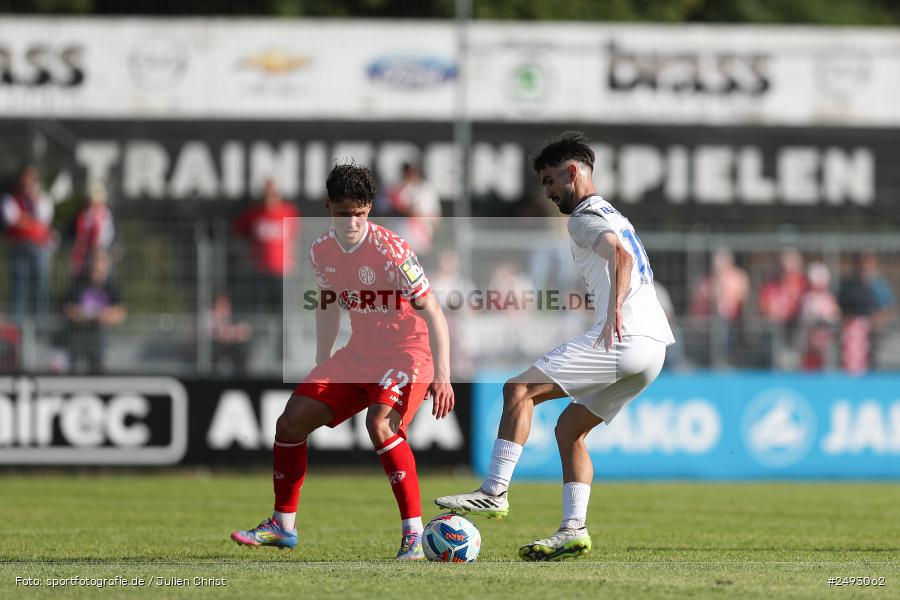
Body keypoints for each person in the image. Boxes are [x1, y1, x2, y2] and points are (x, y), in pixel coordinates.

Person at [435, 132, 674, 561]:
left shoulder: (583, 217)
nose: (547, 193)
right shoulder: (614, 213)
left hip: (624, 337)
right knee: (569, 430)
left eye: (550, 181)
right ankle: (573, 529)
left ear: (572, 173)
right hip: (654, 349)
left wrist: (614, 309)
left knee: (517, 390)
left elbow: (621, 256)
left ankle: (494, 491)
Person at [231, 162, 455, 560]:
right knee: (290, 421)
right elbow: (328, 306)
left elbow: (434, 312)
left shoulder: (393, 249)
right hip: (360, 352)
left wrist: (443, 374)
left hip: (408, 350)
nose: (351, 223)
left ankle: (414, 536)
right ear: (328, 206)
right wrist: (323, 361)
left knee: (380, 424)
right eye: (343, 213)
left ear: (369, 209)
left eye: (359, 213)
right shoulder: (321, 250)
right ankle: (282, 525)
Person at [232, 178, 301, 313]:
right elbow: (237, 233)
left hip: (282, 271)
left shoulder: (289, 212)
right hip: (259, 270)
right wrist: (245, 255)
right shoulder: (253, 214)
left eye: (273, 194)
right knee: (257, 308)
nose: (269, 198)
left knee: (282, 310)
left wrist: (293, 261)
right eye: (266, 194)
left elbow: (296, 238)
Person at [2, 165, 54, 324]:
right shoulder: (10, 199)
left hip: (38, 248)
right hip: (18, 248)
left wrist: (28, 218)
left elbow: (44, 221)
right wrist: (34, 224)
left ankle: (39, 324)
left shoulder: (42, 199)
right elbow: (13, 220)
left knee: (41, 286)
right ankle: (16, 325)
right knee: (18, 287)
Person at [63, 251, 126, 373]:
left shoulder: (111, 287)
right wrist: (90, 317)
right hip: (79, 337)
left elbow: (121, 313)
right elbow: (68, 310)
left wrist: (105, 317)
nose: (98, 265)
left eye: (102, 261)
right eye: (96, 261)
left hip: (102, 342)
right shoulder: (78, 285)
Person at [69, 180, 115, 279]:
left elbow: (113, 234)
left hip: (103, 255)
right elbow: (73, 232)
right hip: (85, 256)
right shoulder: (83, 216)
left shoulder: (108, 216)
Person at [207, 293, 252, 376]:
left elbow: (243, 332)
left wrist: (232, 333)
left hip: (229, 345)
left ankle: (242, 374)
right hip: (213, 346)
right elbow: (213, 333)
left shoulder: (230, 316)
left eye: (227, 305)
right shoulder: (210, 316)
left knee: (240, 351)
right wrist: (229, 334)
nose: (226, 307)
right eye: (222, 304)